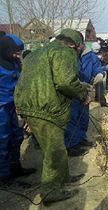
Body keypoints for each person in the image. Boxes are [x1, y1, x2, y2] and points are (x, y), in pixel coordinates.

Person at [14, 29, 90, 205]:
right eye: (79, 46)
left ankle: (63, 179)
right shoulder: (65, 52)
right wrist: (82, 94)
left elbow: (31, 80)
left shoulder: (37, 53)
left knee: (58, 146)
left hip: (28, 105)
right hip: (46, 109)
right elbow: (65, 81)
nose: (78, 49)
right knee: (54, 151)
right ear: (73, 44)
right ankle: (50, 192)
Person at [0, 34, 36, 187]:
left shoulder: (15, 63)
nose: (18, 55)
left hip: (13, 106)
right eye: (15, 52)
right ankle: (4, 175)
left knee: (17, 136)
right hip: (1, 108)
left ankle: (15, 166)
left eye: (19, 52)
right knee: (2, 141)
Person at [64, 32, 103, 157]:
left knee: (84, 116)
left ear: (81, 43)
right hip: (72, 91)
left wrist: (99, 74)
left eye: (77, 45)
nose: (76, 47)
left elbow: (97, 67)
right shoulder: (67, 55)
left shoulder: (90, 55)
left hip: (85, 90)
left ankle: (81, 139)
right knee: (72, 118)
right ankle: (71, 145)